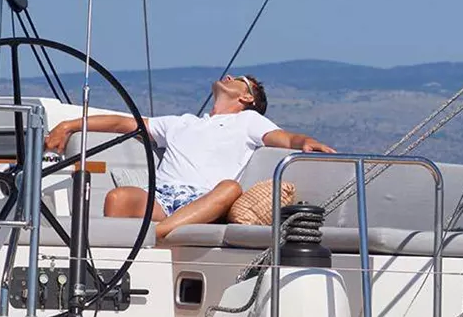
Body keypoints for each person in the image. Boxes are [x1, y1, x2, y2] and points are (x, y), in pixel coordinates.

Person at [44, 73, 335, 240]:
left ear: (247, 98)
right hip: (161, 196)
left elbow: (284, 138)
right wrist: (68, 125)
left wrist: (306, 142)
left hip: (203, 199)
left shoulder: (249, 121)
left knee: (230, 188)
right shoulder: (180, 122)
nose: (229, 77)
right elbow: (124, 123)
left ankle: (157, 235)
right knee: (118, 197)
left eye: (239, 80)